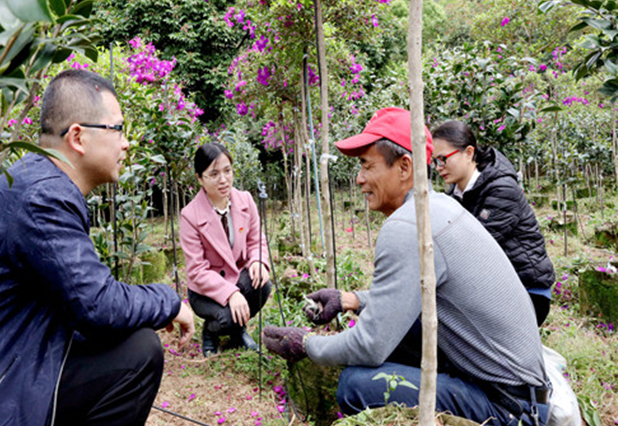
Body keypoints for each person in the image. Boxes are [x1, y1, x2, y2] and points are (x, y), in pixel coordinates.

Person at [0, 69, 195, 426]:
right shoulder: (43, 197)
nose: (126, 143)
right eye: (118, 129)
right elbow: (99, 305)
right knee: (139, 352)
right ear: (79, 137)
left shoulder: (36, 181)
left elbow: (82, 303)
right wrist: (169, 300)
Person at [263, 108, 550, 426]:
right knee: (401, 334)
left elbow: (371, 345)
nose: (359, 179)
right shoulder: (439, 206)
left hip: (508, 406)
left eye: (366, 166)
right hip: (526, 393)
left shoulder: (407, 225)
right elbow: (413, 298)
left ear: (404, 167)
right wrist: (350, 300)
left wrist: (306, 344)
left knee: (355, 385)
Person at [431, 120, 554, 325]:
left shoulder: (501, 189)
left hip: (527, 291)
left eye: (443, 159)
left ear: (469, 153)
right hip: (496, 286)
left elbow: (475, 248)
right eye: (435, 161)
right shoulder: (456, 193)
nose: (439, 167)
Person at [180, 143, 271, 357]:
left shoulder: (245, 201)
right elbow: (197, 271)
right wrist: (230, 294)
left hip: (237, 278)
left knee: (263, 286)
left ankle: (236, 332)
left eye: (227, 171)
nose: (223, 179)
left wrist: (258, 260)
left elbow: (256, 239)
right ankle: (212, 332)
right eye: (214, 174)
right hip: (205, 291)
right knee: (226, 318)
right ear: (199, 178)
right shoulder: (190, 216)